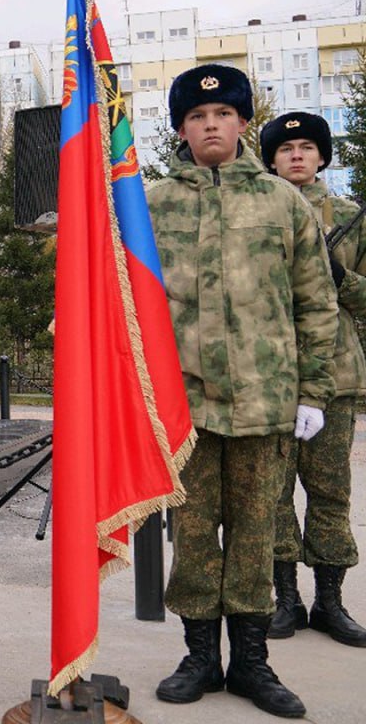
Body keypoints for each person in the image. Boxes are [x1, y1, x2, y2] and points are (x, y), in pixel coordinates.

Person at [148, 65, 338, 718]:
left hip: (264, 403)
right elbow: (122, 297)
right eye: (198, 117)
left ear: (242, 122)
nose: (210, 125)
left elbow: (317, 305)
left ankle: (252, 663)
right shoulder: (150, 204)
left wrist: (312, 392)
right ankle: (200, 657)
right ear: (181, 127)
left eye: (223, 115)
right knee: (195, 538)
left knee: (259, 537)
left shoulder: (284, 204)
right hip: (186, 409)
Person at [259, 111, 366, 648]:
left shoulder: (350, 217)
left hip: (336, 374)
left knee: (329, 493)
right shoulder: (257, 214)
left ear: (322, 156)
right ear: (271, 160)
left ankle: (330, 602)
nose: (296, 155)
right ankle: (286, 601)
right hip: (272, 374)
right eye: (284, 149)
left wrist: (340, 277)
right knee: (274, 496)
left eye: (305, 147)